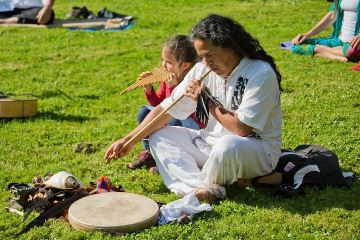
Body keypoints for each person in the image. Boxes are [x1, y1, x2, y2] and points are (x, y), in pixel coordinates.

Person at [104, 14, 282, 203]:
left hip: (254, 150)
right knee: (159, 136)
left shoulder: (260, 73)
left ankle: (211, 185)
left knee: (227, 145)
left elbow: (242, 129)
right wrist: (130, 139)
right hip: (209, 145)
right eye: (202, 57)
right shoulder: (202, 69)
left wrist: (205, 100)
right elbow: (166, 110)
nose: (205, 63)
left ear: (229, 46)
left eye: (209, 55)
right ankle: (201, 188)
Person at [127, 35, 202, 172]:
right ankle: (150, 153)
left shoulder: (194, 81)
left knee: (172, 118)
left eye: (168, 62)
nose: (163, 65)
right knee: (145, 112)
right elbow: (158, 103)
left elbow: (184, 111)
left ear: (185, 65)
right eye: (163, 60)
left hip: (192, 126)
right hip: (172, 119)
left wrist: (174, 88)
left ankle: (178, 159)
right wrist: (149, 90)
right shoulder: (168, 79)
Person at [291, 0, 360, 62]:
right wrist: (308, 34)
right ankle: (328, 52)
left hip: (355, 44)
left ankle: (319, 50)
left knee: (350, 51)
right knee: (297, 44)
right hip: (340, 41)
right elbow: (332, 15)